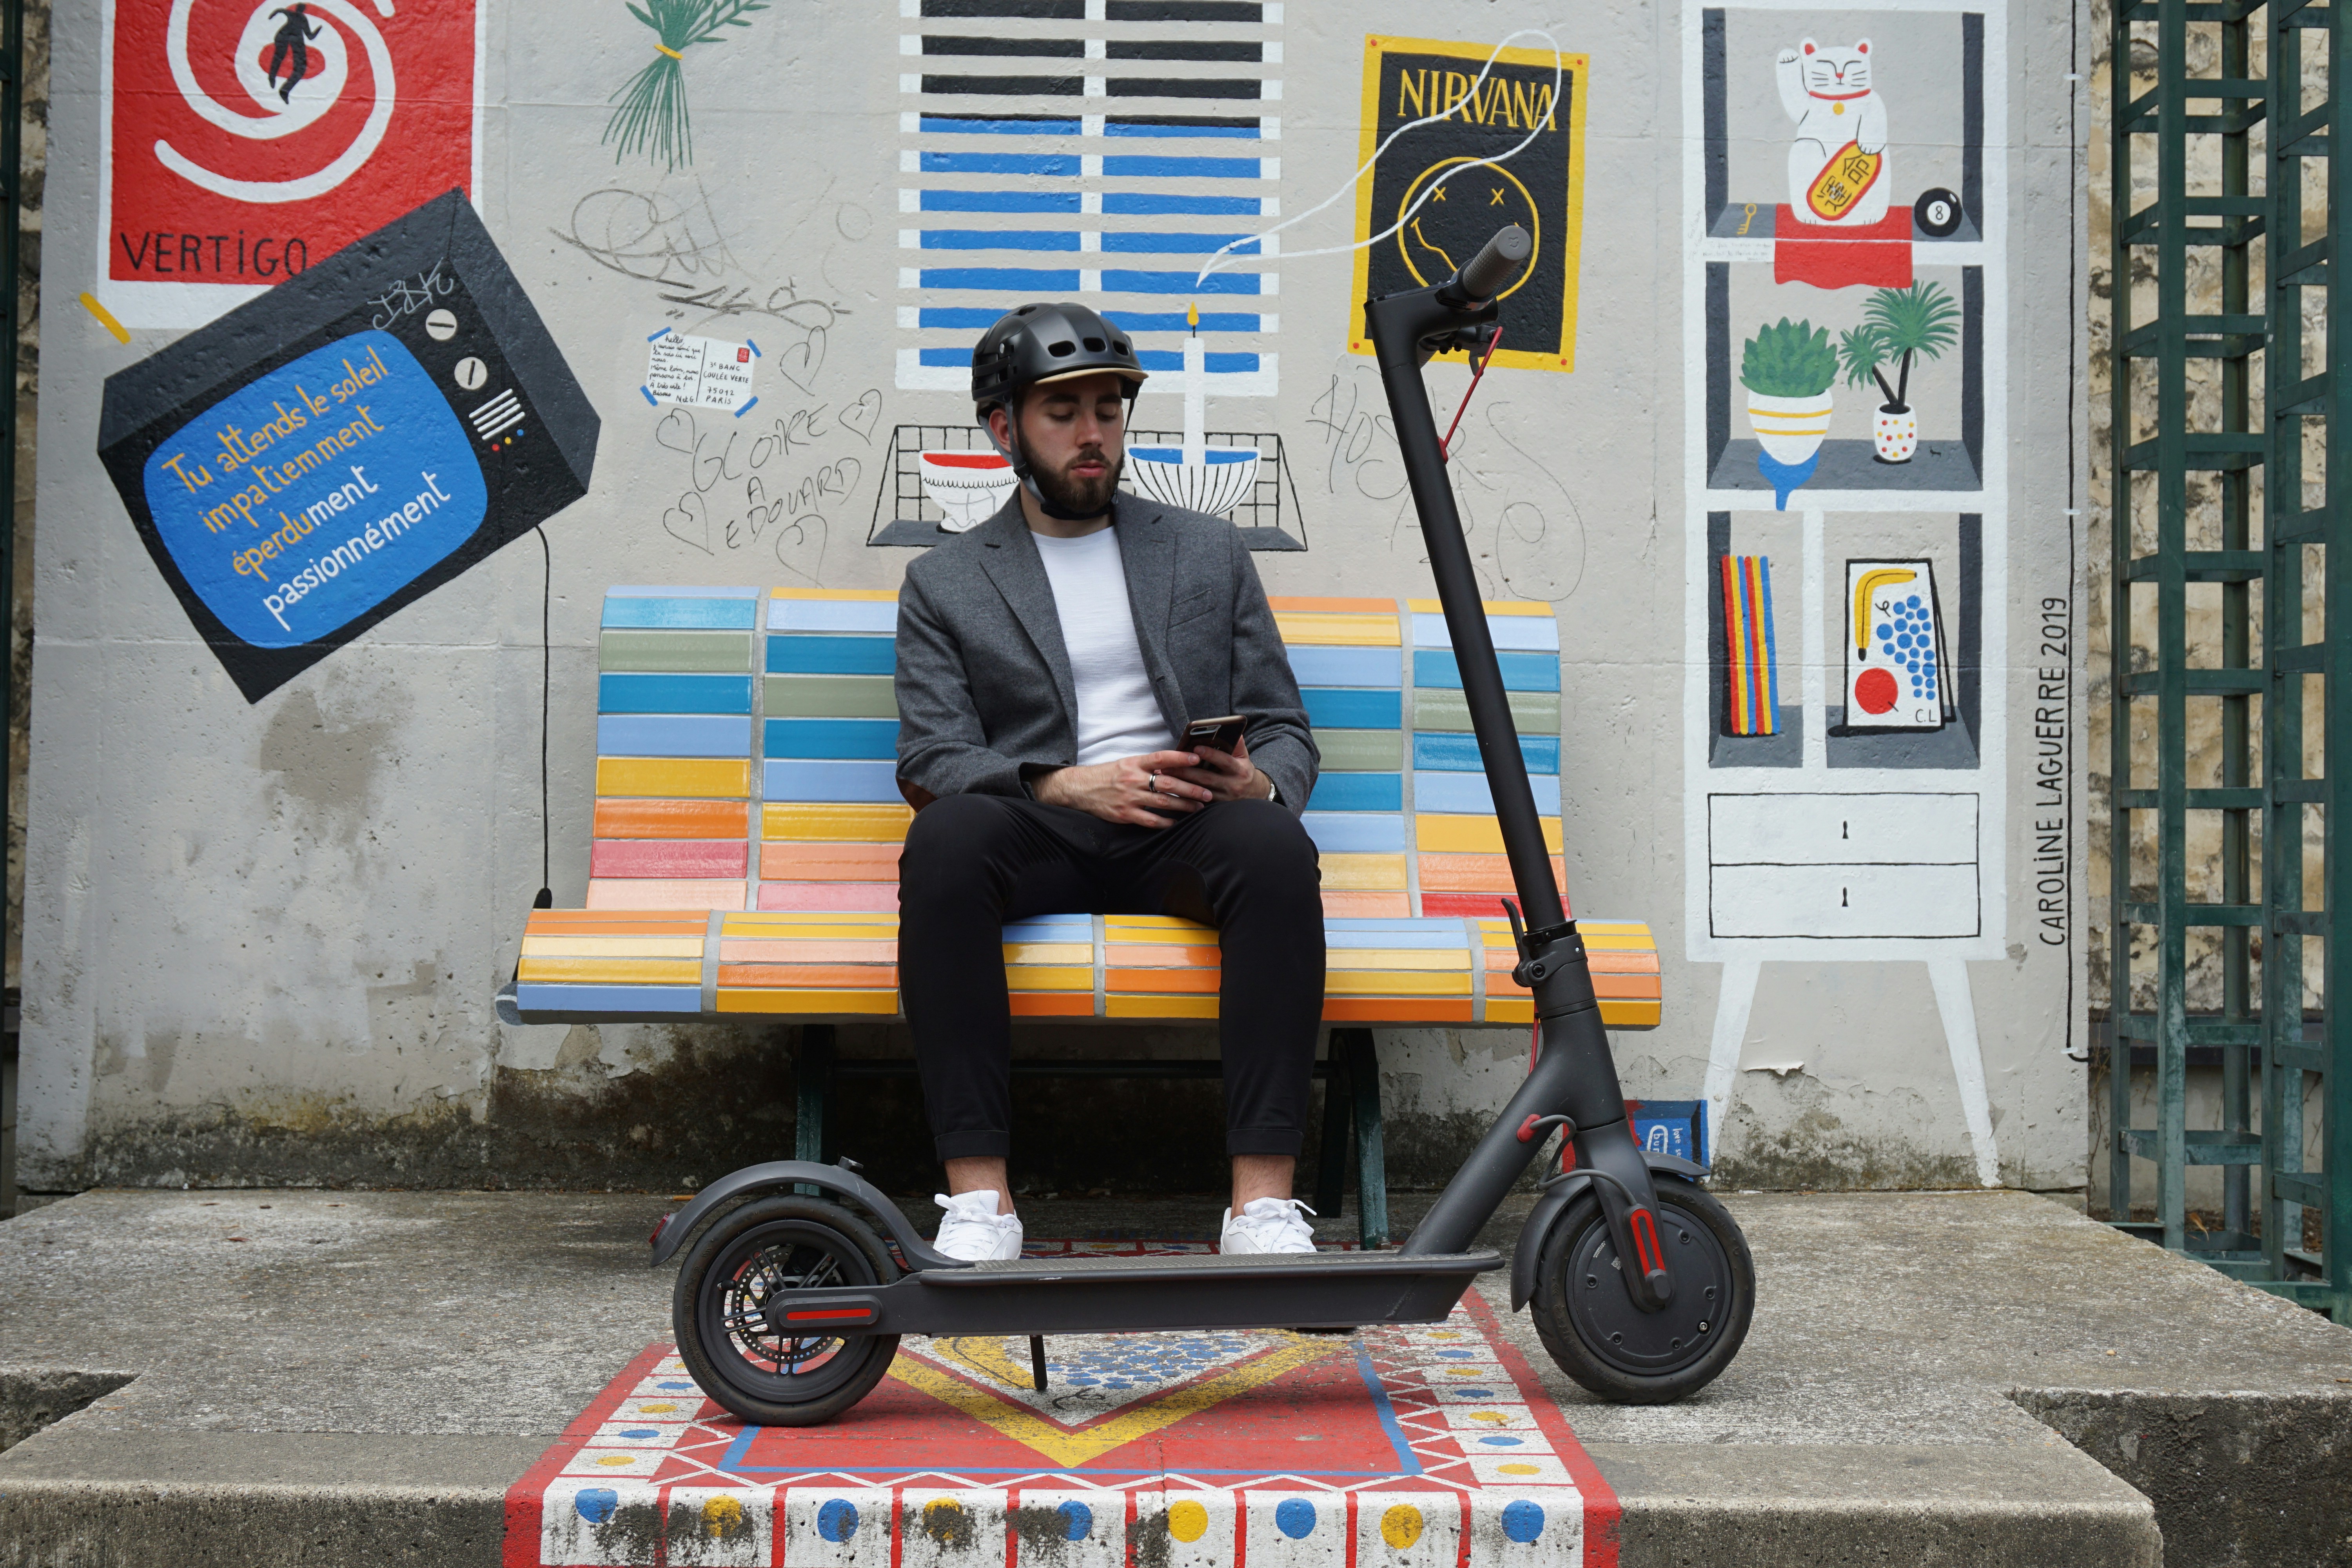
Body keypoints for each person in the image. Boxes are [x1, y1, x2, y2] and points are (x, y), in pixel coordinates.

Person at [893, 303, 1326, 1262]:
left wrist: (1259, 784)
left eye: (1108, 410)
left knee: (1275, 846)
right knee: (944, 842)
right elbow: (931, 756)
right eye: (1063, 412)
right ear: (1004, 427)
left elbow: (1286, 722)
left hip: (1182, 824)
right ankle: (981, 1201)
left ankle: (1260, 1207)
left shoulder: (1208, 550)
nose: (1093, 434)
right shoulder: (945, 581)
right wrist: (1061, 786)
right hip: (1041, 830)